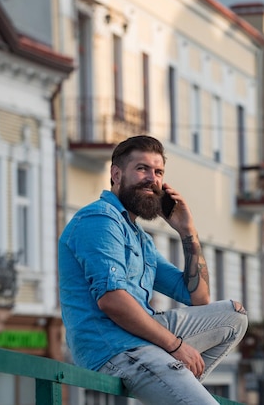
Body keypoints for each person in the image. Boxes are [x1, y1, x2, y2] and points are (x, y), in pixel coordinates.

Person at [58, 135, 248, 404]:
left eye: (158, 172)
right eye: (141, 168)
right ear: (116, 174)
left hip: (142, 339)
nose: (152, 178)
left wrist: (187, 230)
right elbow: (112, 300)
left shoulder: (138, 236)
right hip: (117, 348)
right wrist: (176, 347)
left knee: (234, 316)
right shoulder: (99, 219)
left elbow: (198, 299)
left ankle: (173, 385)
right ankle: (176, 385)